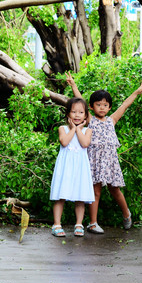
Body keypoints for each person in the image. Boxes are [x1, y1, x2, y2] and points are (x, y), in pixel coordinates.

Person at [66, 72, 142, 234]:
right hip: (94, 161)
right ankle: (93, 223)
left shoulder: (112, 120)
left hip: (110, 162)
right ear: (91, 107)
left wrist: (136, 92)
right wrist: (73, 85)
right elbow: (79, 100)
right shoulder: (89, 120)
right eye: (98, 104)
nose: (102, 107)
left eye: (105, 105)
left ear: (109, 107)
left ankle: (126, 214)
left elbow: (124, 106)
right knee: (95, 191)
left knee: (115, 189)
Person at [49, 97, 95, 238]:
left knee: (80, 197)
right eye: (73, 112)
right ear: (68, 114)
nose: (77, 115)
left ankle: (79, 224)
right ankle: (56, 224)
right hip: (65, 166)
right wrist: (73, 129)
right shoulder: (62, 129)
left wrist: (78, 129)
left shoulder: (87, 130)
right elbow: (64, 142)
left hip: (80, 167)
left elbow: (84, 144)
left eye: (81, 112)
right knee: (60, 196)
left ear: (86, 115)